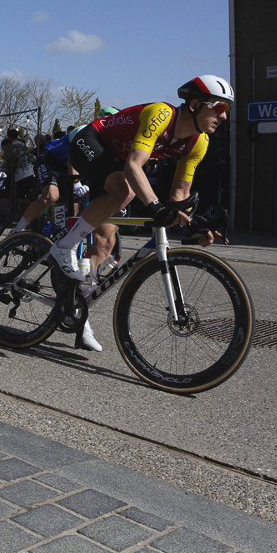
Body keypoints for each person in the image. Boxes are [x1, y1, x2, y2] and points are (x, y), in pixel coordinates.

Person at [48, 75, 235, 352]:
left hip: (116, 162)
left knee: (106, 242)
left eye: (228, 111)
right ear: (195, 104)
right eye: (220, 108)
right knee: (126, 191)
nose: (224, 116)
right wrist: (155, 207)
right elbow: (134, 166)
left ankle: (78, 307)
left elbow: (179, 196)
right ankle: (65, 246)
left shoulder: (199, 143)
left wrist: (194, 225)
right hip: (91, 142)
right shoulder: (161, 114)